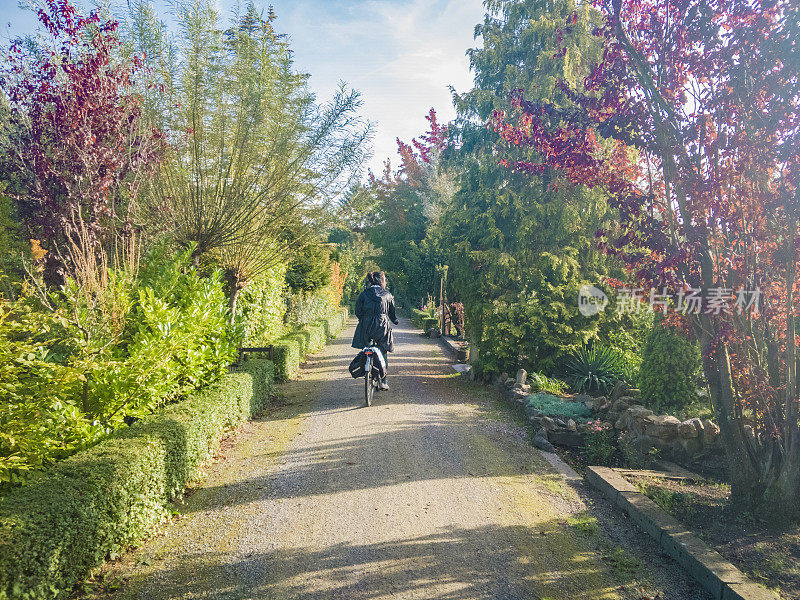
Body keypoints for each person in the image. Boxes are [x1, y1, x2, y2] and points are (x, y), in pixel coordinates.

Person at [352, 270, 398, 390]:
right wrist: (395, 320)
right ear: (381, 281)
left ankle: (366, 370)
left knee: (366, 349)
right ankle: (383, 381)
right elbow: (392, 313)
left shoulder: (364, 294)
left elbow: (357, 310)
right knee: (383, 351)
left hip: (366, 326)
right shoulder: (387, 294)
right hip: (382, 326)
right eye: (385, 280)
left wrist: (363, 320)